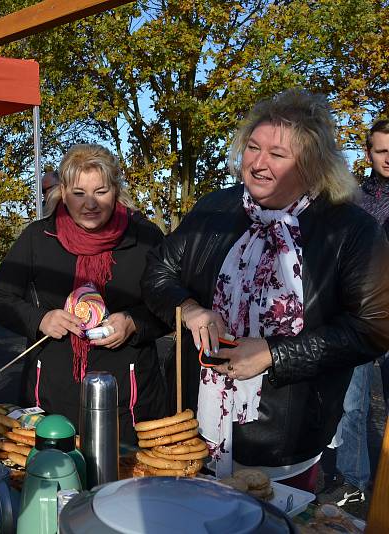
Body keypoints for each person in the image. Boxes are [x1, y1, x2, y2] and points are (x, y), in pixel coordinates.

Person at [141, 89, 389, 493]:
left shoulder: (351, 230)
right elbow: (158, 271)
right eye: (252, 148)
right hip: (195, 426)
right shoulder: (214, 210)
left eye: (277, 154)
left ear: (311, 165)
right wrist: (188, 307)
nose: (258, 163)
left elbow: (374, 328)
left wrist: (275, 353)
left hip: (284, 437)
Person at [0, 144, 169, 443]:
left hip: (128, 396)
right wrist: (40, 319)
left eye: (101, 191)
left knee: (123, 483)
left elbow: (173, 309)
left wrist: (134, 322)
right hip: (53, 394)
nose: (90, 204)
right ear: (63, 192)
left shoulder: (145, 238)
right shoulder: (39, 237)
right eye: (79, 192)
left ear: (116, 190)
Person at [319, 119, 389, 507]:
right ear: (369, 153)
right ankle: (354, 481)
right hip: (359, 314)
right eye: (382, 151)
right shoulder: (354, 199)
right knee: (353, 404)